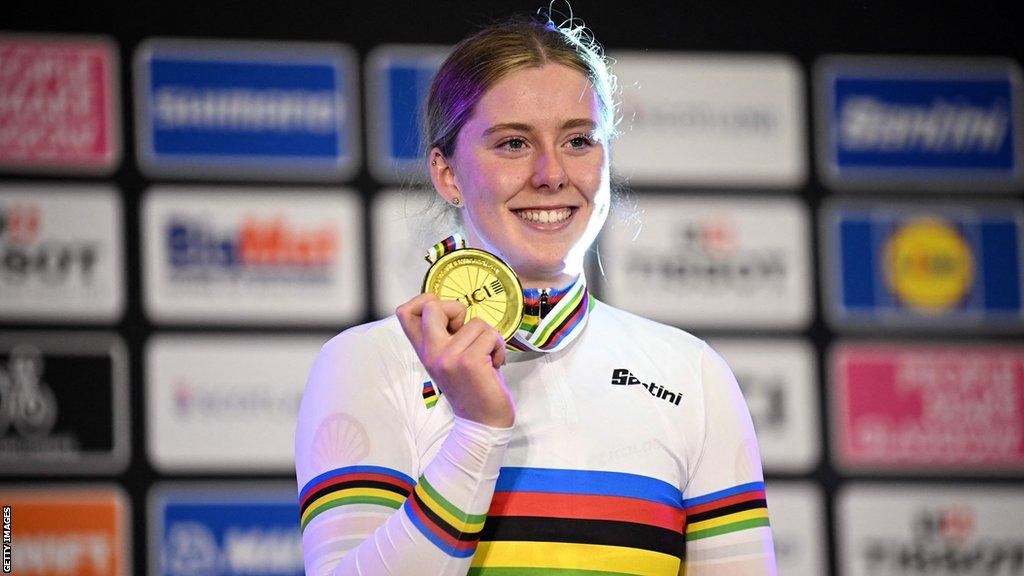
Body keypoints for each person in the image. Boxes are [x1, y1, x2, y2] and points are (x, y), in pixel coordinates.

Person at [295, 12, 776, 576]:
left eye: (578, 140)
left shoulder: (690, 373)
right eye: (514, 143)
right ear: (447, 173)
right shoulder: (368, 362)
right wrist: (477, 430)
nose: (551, 174)